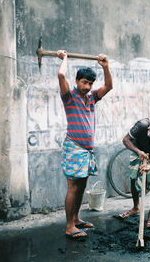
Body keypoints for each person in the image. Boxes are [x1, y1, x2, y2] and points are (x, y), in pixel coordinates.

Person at [57, 50, 113, 239]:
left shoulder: (91, 98)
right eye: (84, 82)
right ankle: (69, 226)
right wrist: (65, 58)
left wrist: (105, 66)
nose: (87, 86)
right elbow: (61, 74)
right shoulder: (69, 97)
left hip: (86, 150)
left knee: (81, 186)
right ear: (77, 81)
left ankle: (76, 218)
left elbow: (109, 86)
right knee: (73, 187)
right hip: (74, 147)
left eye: (90, 83)